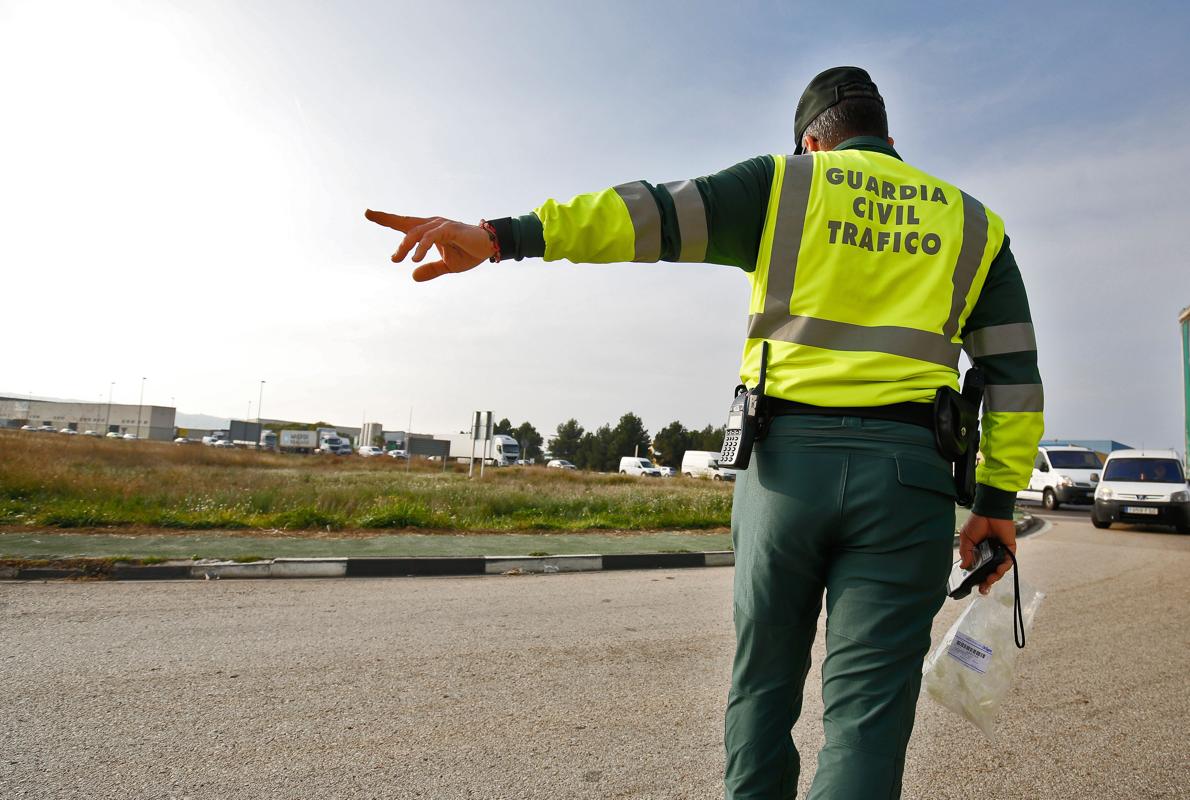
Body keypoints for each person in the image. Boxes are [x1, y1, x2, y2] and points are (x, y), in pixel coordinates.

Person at [365, 66, 1043, 799]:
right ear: (889, 140)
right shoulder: (974, 224)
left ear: (812, 142)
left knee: (763, 684)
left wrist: (502, 237)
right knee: (868, 721)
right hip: (909, 480)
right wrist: (996, 502)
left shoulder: (783, 185)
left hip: (785, 472)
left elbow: (644, 215)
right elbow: (1015, 379)